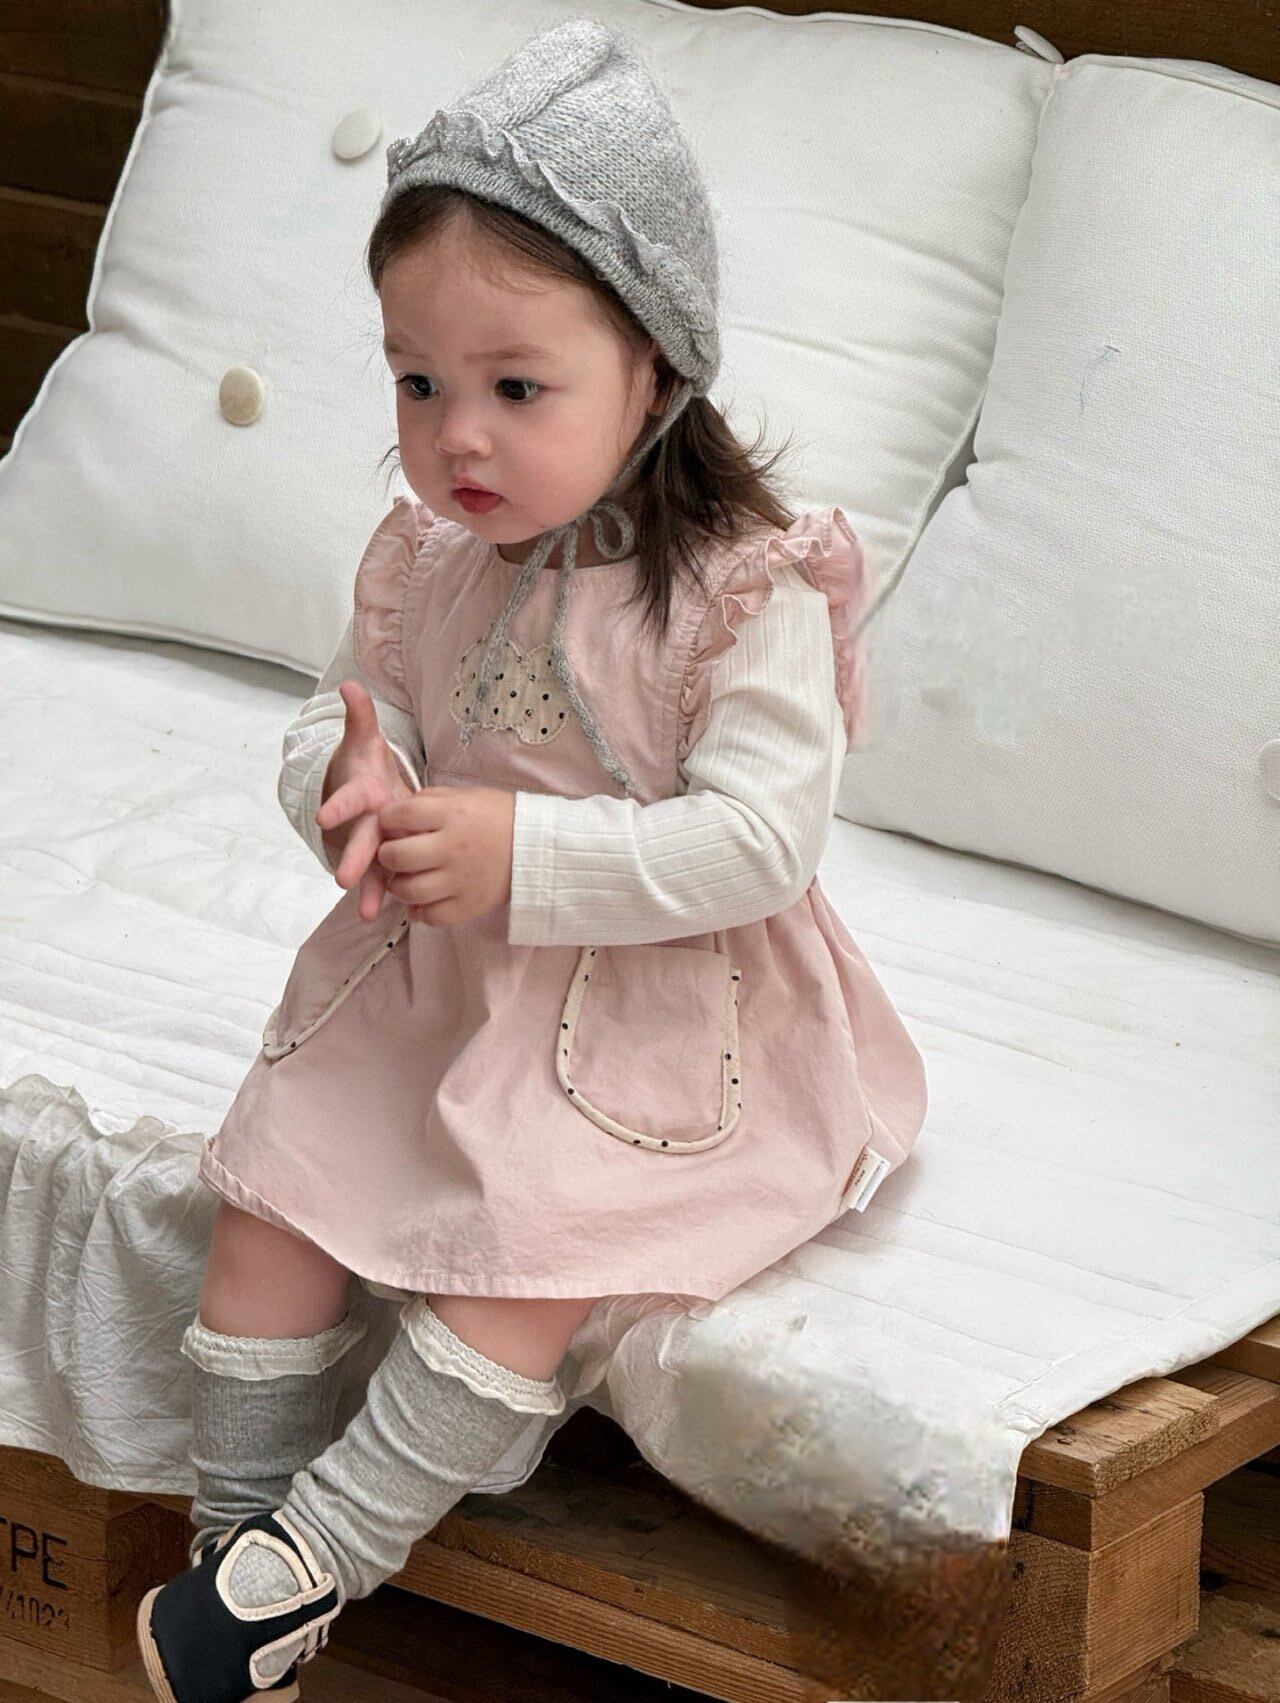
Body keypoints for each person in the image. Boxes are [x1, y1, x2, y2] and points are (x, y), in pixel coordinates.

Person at [136, 18, 928, 1701]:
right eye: (416, 381)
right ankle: (231, 1559)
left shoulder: (742, 589)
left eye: (516, 388)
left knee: (523, 1270)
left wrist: (526, 853)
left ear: (656, 370)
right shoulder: (428, 558)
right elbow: (348, 709)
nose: (457, 438)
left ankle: (318, 1554)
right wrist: (351, 777)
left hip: (651, 1012)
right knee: (274, 1193)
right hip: (437, 985)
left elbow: (761, 840)